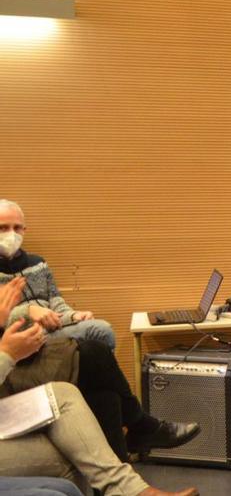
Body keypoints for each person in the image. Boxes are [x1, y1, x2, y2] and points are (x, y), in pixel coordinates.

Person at [0, 278, 198, 496]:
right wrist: (7, 352)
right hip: (11, 374)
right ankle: (140, 429)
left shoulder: (33, 263)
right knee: (94, 356)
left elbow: (50, 303)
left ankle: (131, 486)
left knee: (94, 394)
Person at [0, 200, 116, 349]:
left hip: (50, 332)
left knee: (100, 331)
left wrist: (74, 316)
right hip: (14, 341)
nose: (12, 234)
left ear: (24, 230)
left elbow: (56, 302)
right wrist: (28, 311)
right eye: (3, 228)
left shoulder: (38, 263)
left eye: (17, 228)